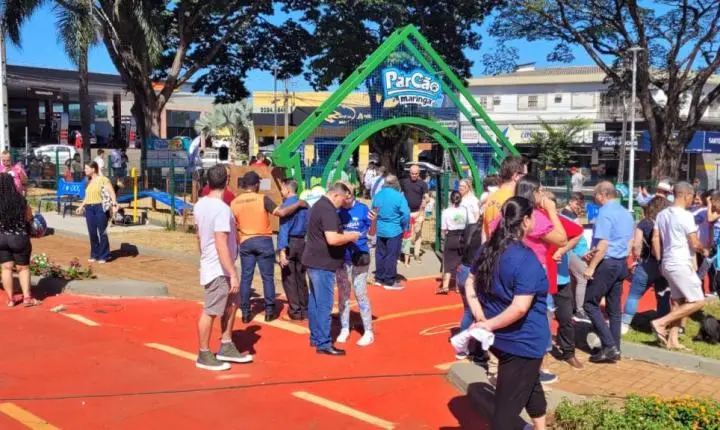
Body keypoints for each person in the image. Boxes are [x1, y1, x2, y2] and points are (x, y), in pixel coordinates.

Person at [471, 196, 549, 430]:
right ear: (525, 221)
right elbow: (520, 307)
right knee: (504, 417)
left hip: (502, 340)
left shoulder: (488, 248)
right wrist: (487, 323)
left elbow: (468, 280)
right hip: (522, 344)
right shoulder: (526, 259)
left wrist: (480, 315)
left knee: (531, 384)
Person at [193, 165, 253, 371]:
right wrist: (233, 273)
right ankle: (203, 353)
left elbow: (199, 236)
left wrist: (204, 256)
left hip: (215, 264)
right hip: (219, 267)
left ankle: (226, 344)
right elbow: (221, 242)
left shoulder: (200, 204)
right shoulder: (221, 209)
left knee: (232, 303)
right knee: (211, 310)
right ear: (226, 181)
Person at [230, 171, 306, 323]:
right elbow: (282, 212)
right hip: (263, 240)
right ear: (256, 185)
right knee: (267, 277)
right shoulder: (262, 199)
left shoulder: (235, 202)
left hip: (245, 240)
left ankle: (245, 312)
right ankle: (269, 311)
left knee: (246, 277)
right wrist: (299, 203)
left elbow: (232, 224)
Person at [302, 182, 361, 356]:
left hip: (314, 261)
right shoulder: (327, 210)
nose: (343, 203)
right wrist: (351, 236)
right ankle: (324, 343)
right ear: (336, 195)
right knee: (324, 304)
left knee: (315, 302)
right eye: (343, 199)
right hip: (323, 263)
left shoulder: (317, 206)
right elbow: (333, 239)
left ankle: (316, 337)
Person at [651, 182, 708, 350]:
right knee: (698, 301)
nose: (693, 200)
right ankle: (661, 323)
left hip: (667, 262)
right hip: (681, 262)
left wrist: (660, 259)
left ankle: (673, 340)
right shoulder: (686, 216)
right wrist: (704, 250)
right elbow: (694, 243)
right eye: (692, 196)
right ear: (685, 195)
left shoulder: (662, 214)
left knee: (678, 301)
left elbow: (656, 238)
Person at [582, 181, 634, 363]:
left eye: (595, 195)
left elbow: (603, 244)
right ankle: (615, 348)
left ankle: (609, 345)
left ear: (602, 195)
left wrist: (591, 267)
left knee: (589, 303)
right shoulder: (626, 213)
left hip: (607, 263)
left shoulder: (605, 212)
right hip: (620, 262)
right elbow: (629, 241)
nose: (594, 198)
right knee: (614, 309)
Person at [621, 196, 672, 334]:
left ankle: (625, 323)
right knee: (663, 295)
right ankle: (662, 323)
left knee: (634, 294)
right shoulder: (669, 223)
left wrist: (636, 258)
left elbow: (637, 244)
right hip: (664, 263)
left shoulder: (645, 223)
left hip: (647, 263)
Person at [336, 182, 376, 346]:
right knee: (343, 294)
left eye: (349, 193)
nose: (346, 197)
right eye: (343, 194)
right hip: (342, 257)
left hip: (359, 255)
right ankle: (344, 328)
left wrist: (374, 221)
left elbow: (372, 233)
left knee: (360, 292)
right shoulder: (337, 211)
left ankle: (368, 331)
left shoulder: (362, 209)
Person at [0, 174, 40, 308]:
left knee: (6, 268)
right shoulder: (21, 200)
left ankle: (11, 299)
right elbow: (29, 218)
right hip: (19, 237)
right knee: (23, 268)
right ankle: (27, 298)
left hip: (1, 238)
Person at [277, 179, 309, 321]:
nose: (281, 191)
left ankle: (295, 311)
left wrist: (282, 250)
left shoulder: (286, 206)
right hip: (302, 242)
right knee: (301, 276)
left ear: (288, 189)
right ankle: (305, 309)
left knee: (289, 278)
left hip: (290, 241)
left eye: (282, 188)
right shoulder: (304, 205)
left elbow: (284, 228)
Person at [371, 175, 410, 290]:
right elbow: (406, 214)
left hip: (380, 229)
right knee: (391, 255)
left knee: (380, 254)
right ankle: (389, 280)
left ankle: (379, 278)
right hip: (394, 229)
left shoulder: (377, 195)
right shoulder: (399, 197)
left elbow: (373, 212)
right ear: (395, 183)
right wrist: (404, 226)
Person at [75, 162, 117, 263]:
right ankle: (95, 254)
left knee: (102, 232)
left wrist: (114, 204)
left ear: (93, 169)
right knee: (92, 233)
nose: (85, 170)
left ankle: (104, 255)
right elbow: (87, 197)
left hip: (100, 207)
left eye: (87, 168)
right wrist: (81, 206)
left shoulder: (103, 179)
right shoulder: (88, 181)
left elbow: (112, 192)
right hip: (89, 208)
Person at [561, 192, 591, 321]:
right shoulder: (565, 216)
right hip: (573, 251)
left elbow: (580, 233)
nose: (580, 207)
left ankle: (574, 307)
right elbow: (571, 237)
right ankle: (579, 310)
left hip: (578, 250)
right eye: (578, 204)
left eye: (581, 205)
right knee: (583, 278)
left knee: (576, 279)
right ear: (571, 202)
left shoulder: (573, 215)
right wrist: (581, 252)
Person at [482, 156, 527, 240]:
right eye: (525, 176)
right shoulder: (513, 201)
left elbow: (484, 231)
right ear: (516, 176)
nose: (526, 180)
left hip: (491, 246)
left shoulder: (492, 196)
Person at [438, 191, 468, 295]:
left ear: (451, 199)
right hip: (462, 236)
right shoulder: (465, 210)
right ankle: (458, 287)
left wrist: (444, 238)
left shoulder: (446, 212)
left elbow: (443, 228)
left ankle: (445, 286)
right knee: (460, 262)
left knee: (448, 261)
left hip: (451, 236)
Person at [401, 165, 429, 262]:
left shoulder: (423, 184)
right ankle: (405, 253)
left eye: (416, 174)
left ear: (419, 173)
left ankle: (416, 254)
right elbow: (400, 194)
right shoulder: (404, 182)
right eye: (412, 173)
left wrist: (426, 200)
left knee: (418, 232)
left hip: (419, 212)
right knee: (406, 234)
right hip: (407, 213)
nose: (414, 175)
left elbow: (426, 196)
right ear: (409, 173)